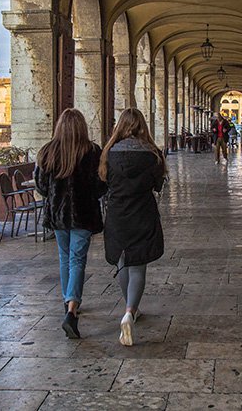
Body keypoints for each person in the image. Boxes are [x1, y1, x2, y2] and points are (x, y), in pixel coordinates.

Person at [35, 108, 107, 339]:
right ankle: (72, 309)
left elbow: (41, 187)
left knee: (64, 258)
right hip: (83, 215)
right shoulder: (92, 151)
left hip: (58, 215)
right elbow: (100, 186)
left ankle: (68, 300)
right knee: (77, 260)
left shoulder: (47, 151)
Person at [99, 108, 166, 346]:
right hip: (142, 212)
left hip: (117, 214)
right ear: (142, 126)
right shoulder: (153, 154)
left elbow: (103, 181)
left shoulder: (108, 153)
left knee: (122, 261)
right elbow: (158, 185)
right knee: (138, 264)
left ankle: (129, 308)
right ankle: (130, 311)